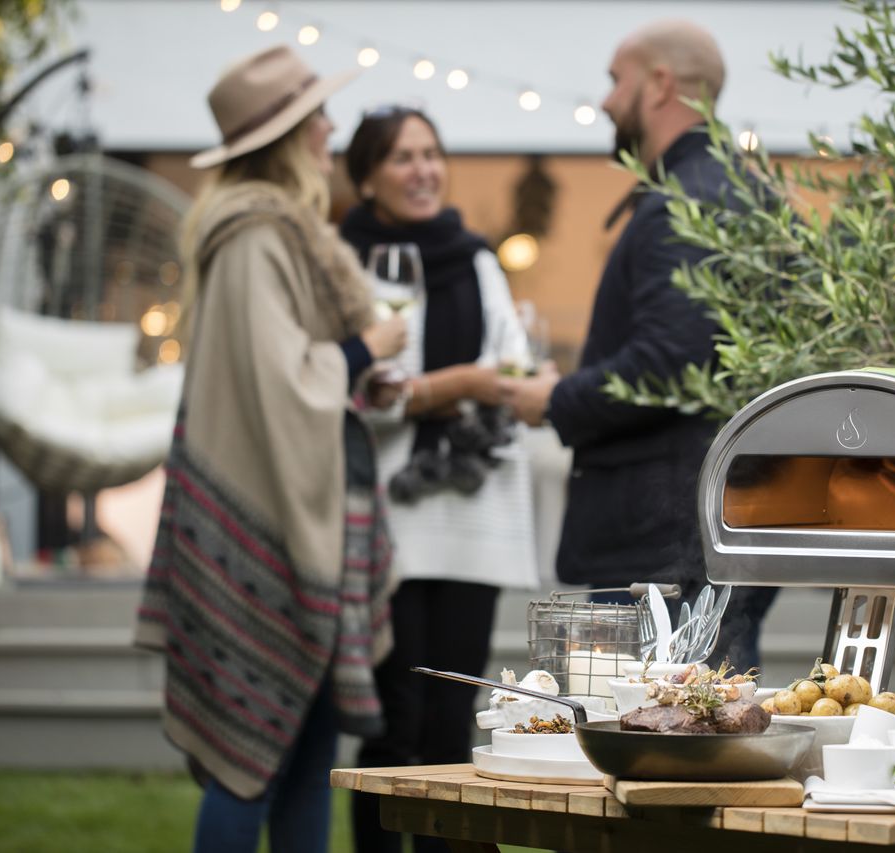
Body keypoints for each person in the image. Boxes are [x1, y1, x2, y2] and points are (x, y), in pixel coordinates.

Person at [133, 45, 407, 853]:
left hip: (288, 516)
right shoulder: (256, 237)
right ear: (288, 136)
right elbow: (281, 386)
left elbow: (283, 376)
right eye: (316, 115)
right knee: (251, 758)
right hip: (266, 528)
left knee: (305, 749)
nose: (331, 126)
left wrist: (360, 378)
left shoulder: (277, 234)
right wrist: (364, 348)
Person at [501, 20, 777, 674]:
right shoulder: (736, 190)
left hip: (665, 545)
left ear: (658, 85)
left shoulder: (686, 200)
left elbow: (671, 364)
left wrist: (554, 398)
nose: (604, 100)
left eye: (614, 78)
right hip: (708, 529)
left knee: (666, 741)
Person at [339, 106, 538, 853]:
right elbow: (356, 391)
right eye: (401, 157)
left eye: (431, 153)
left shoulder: (479, 261)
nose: (423, 169)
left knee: (455, 724)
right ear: (366, 177)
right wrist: (457, 383)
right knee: (394, 722)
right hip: (389, 517)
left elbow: (508, 369)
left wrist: (504, 382)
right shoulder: (346, 263)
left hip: (471, 517)